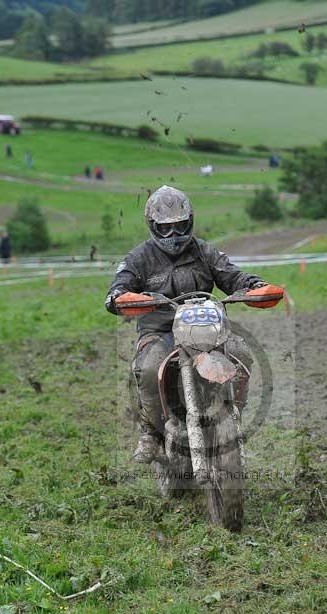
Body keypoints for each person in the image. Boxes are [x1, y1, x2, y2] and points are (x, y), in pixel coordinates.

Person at [105, 185, 272, 463]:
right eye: (166, 228)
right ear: (152, 227)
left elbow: (232, 276)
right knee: (147, 369)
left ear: (191, 221)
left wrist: (254, 285)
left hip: (206, 330)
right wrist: (121, 297)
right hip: (160, 331)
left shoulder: (204, 251)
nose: (174, 235)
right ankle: (150, 432)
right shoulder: (139, 258)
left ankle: (233, 412)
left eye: (181, 226)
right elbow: (117, 289)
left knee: (241, 354)